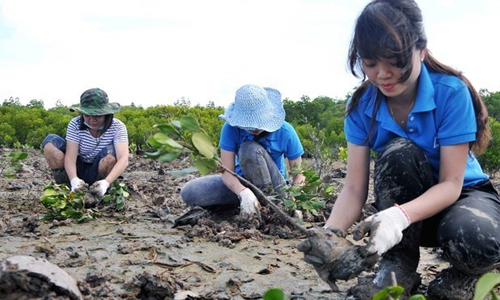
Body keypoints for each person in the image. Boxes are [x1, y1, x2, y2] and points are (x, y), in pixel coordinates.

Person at [300, 0, 500, 299]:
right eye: (370, 63)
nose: (382, 74)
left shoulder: (451, 93)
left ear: (421, 50)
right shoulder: (361, 107)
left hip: (461, 198)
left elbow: (451, 183)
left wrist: (398, 217)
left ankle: (462, 278)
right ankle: (398, 266)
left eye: (395, 61)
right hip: (407, 215)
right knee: (399, 152)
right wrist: (327, 237)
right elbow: (354, 188)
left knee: (479, 242)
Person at [180, 84, 305, 219]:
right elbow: (227, 172)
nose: (255, 128)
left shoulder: (286, 131)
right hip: (241, 183)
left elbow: (299, 175)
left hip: (275, 190)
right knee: (190, 191)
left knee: (249, 149)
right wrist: (243, 192)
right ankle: (246, 203)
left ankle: (271, 207)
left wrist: (294, 199)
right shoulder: (230, 129)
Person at [42, 88, 129, 202]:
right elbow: (70, 157)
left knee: (110, 155)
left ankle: (99, 192)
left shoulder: (118, 126)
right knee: (50, 143)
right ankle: (68, 189)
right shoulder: (75, 123)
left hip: (100, 171)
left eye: (97, 115)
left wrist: (106, 183)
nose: (92, 120)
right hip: (79, 169)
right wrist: (74, 180)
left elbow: (123, 159)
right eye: (87, 115)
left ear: (106, 114)